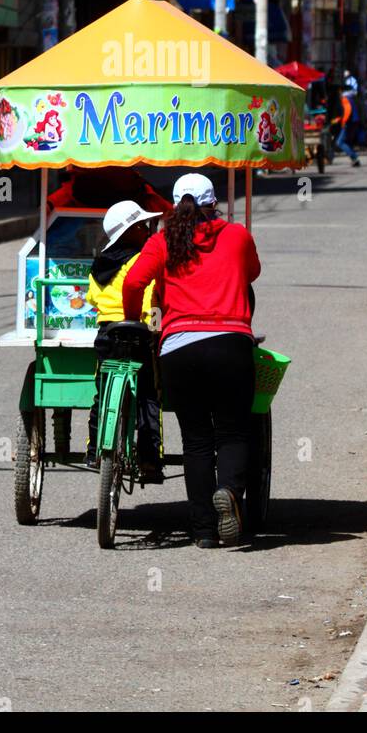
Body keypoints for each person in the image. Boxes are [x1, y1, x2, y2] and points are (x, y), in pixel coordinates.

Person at [122, 173, 261, 549]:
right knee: (232, 432)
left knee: (196, 441)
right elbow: (252, 274)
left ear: (174, 203)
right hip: (231, 344)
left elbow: (134, 282)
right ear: (213, 204)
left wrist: (133, 320)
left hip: (178, 351)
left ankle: (203, 532)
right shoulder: (237, 235)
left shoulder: (162, 240)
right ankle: (230, 492)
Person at [85, 201, 164, 477]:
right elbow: (152, 299)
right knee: (148, 395)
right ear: (129, 231)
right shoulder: (142, 260)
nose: (147, 229)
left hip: (108, 333)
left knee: (102, 393)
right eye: (142, 225)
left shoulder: (99, 265)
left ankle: (94, 449)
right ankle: (149, 457)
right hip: (139, 331)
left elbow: (92, 299)